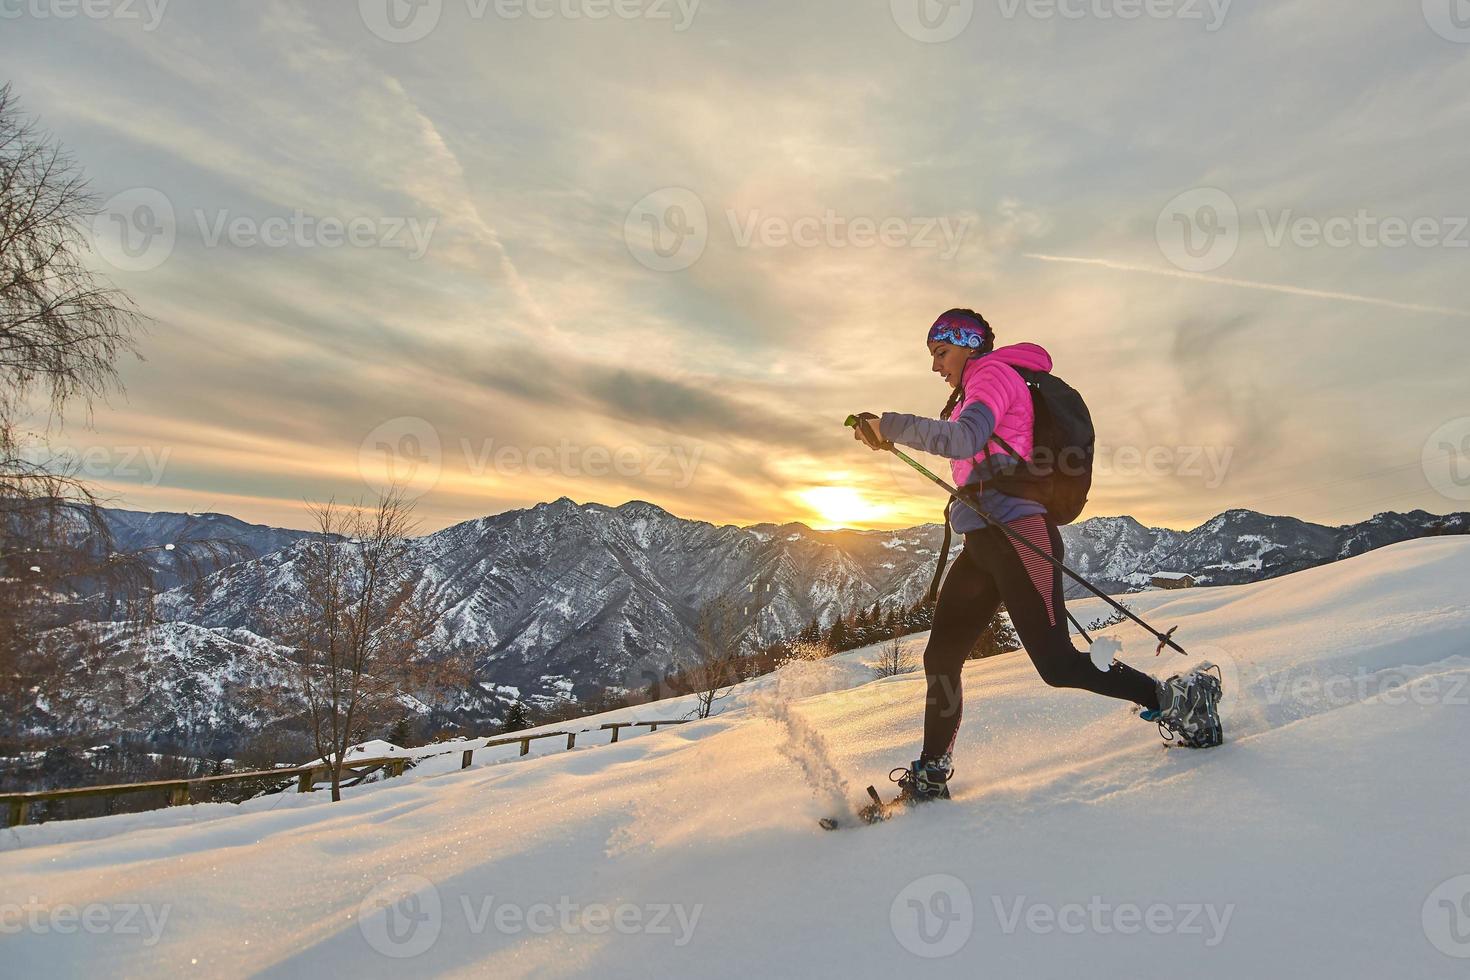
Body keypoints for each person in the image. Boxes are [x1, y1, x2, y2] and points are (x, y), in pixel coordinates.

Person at [853, 309, 1221, 804]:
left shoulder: (992, 375)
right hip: (984, 538)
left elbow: (965, 439)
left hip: (1017, 534)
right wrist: (887, 435)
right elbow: (971, 450)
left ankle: (1176, 698)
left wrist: (890, 424)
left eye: (941, 353)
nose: (936, 367)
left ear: (967, 346)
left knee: (1058, 663)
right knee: (941, 656)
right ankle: (932, 774)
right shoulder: (976, 387)